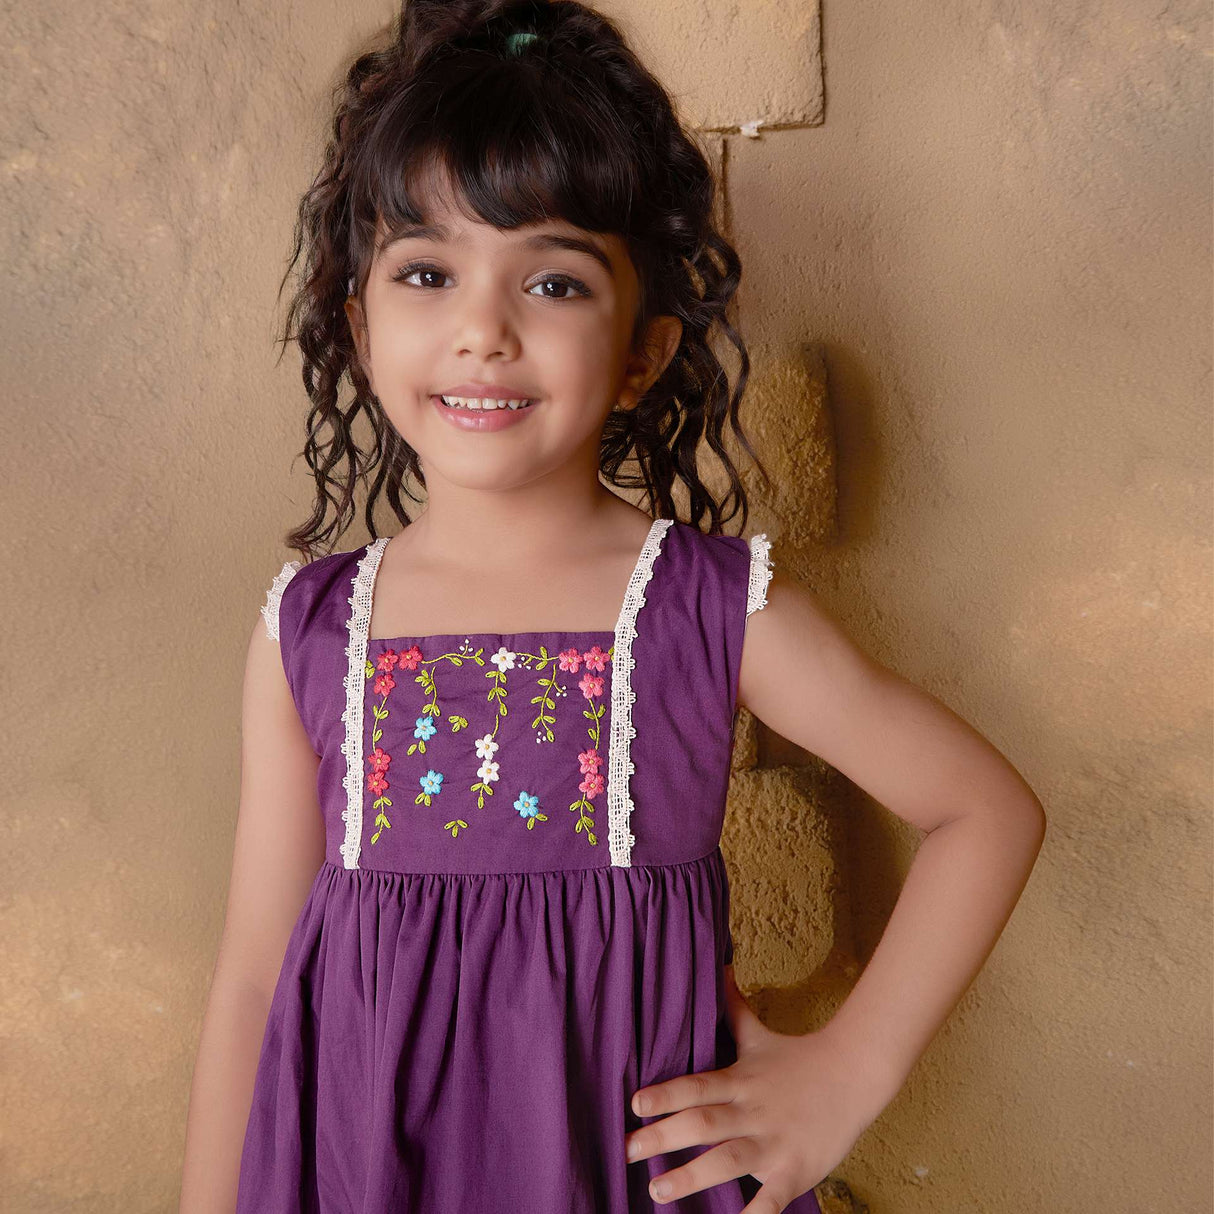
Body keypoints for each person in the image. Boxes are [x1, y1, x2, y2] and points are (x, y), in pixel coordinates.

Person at [178, 2, 1047, 1211]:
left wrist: (846, 1071)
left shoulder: (711, 608)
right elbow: (252, 982)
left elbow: (982, 810)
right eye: (427, 271)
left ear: (640, 351)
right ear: (357, 322)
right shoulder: (308, 629)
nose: (482, 331)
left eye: (551, 281)